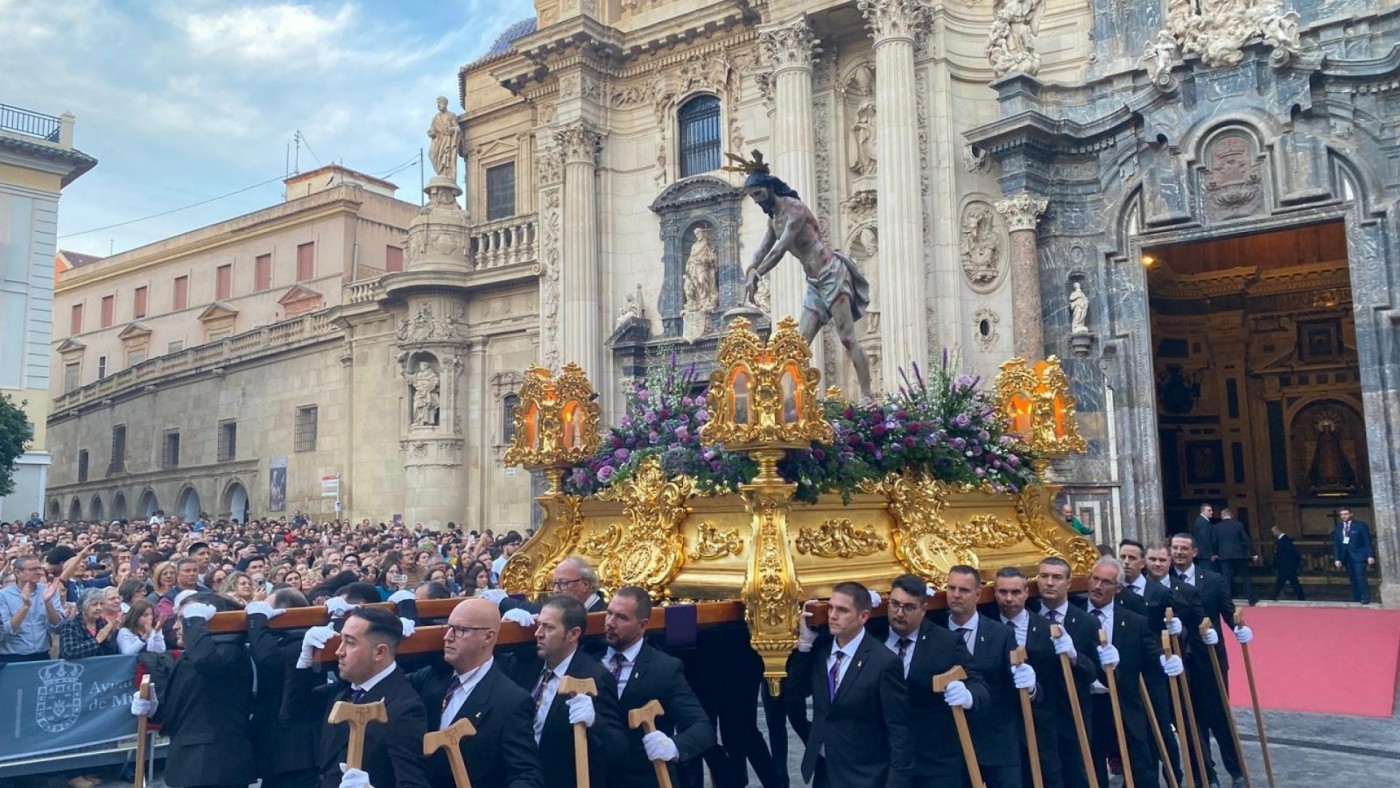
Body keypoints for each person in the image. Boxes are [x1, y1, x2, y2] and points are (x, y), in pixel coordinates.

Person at [739, 159, 873, 399]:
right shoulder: (773, 221)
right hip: (814, 284)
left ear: (769, 188)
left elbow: (780, 248)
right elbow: (762, 249)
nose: (757, 201)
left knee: (847, 338)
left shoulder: (795, 209)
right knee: (797, 346)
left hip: (832, 273)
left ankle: (868, 396)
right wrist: (750, 269)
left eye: (758, 194)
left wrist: (760, 273)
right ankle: (794, 405)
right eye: (753, 198)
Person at [283, 605, 430, 788]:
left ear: (379, 652)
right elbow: (294, 712)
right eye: (341, 640)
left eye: (350, 642)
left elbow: (413, 783)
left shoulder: (403, 708)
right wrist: (305, 660)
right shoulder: (348, 687)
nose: (339, 651)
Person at [408, 597, 544, 788]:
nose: (447, 636)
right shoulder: (433, 677)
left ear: (488, 637)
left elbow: (526, 774)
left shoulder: (510, 701)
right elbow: (390, 689)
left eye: (460, 630)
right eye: (448, 628)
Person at [788, 581, 914, 787]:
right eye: (830, 608)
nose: (833, 615)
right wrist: (804, 645)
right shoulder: (820, 652)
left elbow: (900, 731)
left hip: (865, 775)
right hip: (825, 771)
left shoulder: (884, 663)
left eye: (842, 610)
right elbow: (793, 695)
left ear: (863, 616)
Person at [130, 592, 258, 788]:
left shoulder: (229, 649)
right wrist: (154, 709)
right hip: (190, 763)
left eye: (183, 619)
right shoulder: (190, 656)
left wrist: (196, 623)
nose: (175, 626)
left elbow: (207, 663)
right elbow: (185, 710)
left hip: (216, 764)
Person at [503, 594, 627, 788]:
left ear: (573, 634)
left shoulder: (594, 678)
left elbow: (618, 748)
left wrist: (595, 721)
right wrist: (505, 627)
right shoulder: (527, 665)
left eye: (549, 627)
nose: (538, 633)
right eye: (539, 625)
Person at [875, 573, 987, 786]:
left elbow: (979, 686)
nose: (899, 613)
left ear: (923, 609)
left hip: (934, 763)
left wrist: (967, 695)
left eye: (909, 607)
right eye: (895, 604)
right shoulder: (873, 640)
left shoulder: (946, 643)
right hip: (884, 761)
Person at [601, 586, 715, 788]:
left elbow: (702, 729)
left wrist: (672, 746)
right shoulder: (589, 658)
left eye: (622, 618)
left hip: (639, 779)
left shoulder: (663, 669)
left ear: (642, 626)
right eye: (609, 613)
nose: (610, 623)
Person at [1083, 557, 1177, 788]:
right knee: (1091, 769)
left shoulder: (1134, 622)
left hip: (1124, 703)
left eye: (1105, 582)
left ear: (1118, 588)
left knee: (1141, 769)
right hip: (1087, 705)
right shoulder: (1072, 615)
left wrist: (1169, 661)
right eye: (1095, 579)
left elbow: (1151, 655)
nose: (1097, 586)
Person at [1169, 532, 1253, 788]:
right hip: (1180, 661)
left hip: (1211, 660)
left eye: (1184, 548)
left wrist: (1239, 629)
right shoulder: (1164, 581)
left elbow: (1228, 612)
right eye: (1174, 548)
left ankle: (1236, 770)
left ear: (1195, 552)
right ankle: (1206, 774)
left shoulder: (1214, 580)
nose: (1178, 553)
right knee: (1191, 722)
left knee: (1219, 718)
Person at [938, 566, 1028, 787]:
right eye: (951, 588)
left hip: (996, 742)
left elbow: (1015, 686)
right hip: (949, 745)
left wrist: (1030, 684)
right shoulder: (933, 630)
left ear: (978, 594)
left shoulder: (1000, 633)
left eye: (964, 590)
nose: (956, 595)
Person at [992, 567, 1068, 788]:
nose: (1008, 598)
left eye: (1015, 592)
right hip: (1002, 728)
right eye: (1002, 592)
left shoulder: (1048, 629)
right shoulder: (986, 627)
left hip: (1041, 726)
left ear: (1027, 592)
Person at [1032, 557, 1100, 788]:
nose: (1049, 582)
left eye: (1056, 577)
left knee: (1076, 775)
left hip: (1073, 714)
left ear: (1069, 583)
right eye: (1044, 576)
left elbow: (1094, 672)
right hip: (1037, 715)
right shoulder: (1026, 617)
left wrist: (1074, 657)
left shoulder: (1086, 622)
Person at [247, 588, 319, 788]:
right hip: (279, 748)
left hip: (294, 750)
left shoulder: (300, 643)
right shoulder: (290, 641)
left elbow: (268, 659)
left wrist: (256, 620)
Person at [0, 553, 67, 662]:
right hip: (12, 657)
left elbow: (58, 627)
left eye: (39, 568)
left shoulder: (48, 591)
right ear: (17, 572)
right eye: (32, 569)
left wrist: (47, 603)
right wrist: (25, 607)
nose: (39, 572)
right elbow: (4, 630)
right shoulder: (3, 596)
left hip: (41, 655)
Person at [58, 587, 122, 659]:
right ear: (83, 607)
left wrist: (111, 635)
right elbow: (69, 652)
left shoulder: (102, 623)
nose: (99, 608)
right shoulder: (70, 624)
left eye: (101, 604)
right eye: (94, 604)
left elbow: (110, 652)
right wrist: (97, 640)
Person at [1212, 508, 1259, 604]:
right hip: (1239, 554)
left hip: (1224, 555)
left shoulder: (1216, 527)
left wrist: (1215, 553)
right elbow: (1246, 539)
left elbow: (1214, 542)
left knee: (1226, 578)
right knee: (1245, 576)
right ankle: (1250, 598)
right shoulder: (1238, 525)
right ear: (1231, 515)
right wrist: (1253, 553)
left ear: (1222, 516)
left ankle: (1227, 599)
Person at [1333, 507, 1375, 604]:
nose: (1344, 516)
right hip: (1347, 556)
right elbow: (1336, 544)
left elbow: (1367, 541)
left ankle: (1365, 597)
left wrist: (1370, 555)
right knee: (1352, 577)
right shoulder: (1338, 527)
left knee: (1360, 575)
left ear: (1351, 514)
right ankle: (1356, 597)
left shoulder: (1360, 525)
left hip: (1359, 555)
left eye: (1346, 514)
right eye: (1342, 514)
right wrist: (1337, 558)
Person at [1270, 526, 1304, 600]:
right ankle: (1301, 597)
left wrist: (1275, 564)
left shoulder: (1284, 541)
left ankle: (1273, 597)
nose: (1272, 534)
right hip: (1288, 566)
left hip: (1286, 566)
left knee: (1281, 583)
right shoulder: (1285, 540)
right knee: (1293, 583)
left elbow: (1282, 555)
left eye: (1273, 532)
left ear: (1277, 531)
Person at [1192, 504, 1217, 572]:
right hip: (1205, 554)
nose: (1211, 512)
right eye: (1209, 510)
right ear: (1203, 511)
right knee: (1207, 573)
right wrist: (1211, 554)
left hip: (1204, 554)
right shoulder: (1203, 522)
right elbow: (1205, 538)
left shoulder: (1203, 521)